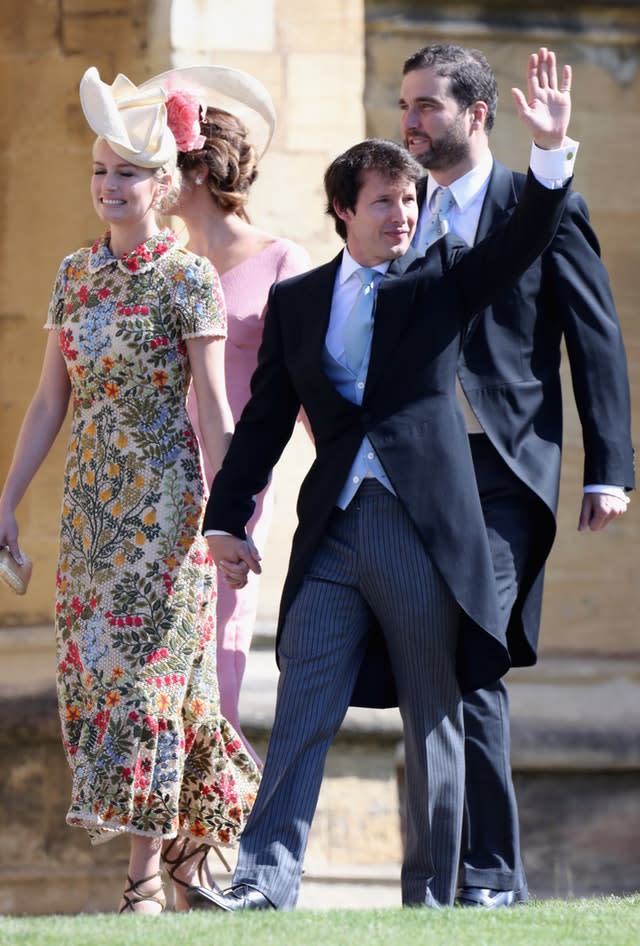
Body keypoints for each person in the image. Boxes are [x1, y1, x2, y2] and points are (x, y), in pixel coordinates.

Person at [184, 48, 577, 911]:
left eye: (410, 200)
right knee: (302, 708)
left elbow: (518, 245)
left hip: (419, 532)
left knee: (435, 717)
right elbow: (260, 421)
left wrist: (549, 158)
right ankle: (263, 877)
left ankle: (433, 895)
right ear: (342, 213)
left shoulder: (438, 283)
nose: (405, 215)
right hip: (333, 530)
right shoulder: (299, 303)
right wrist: (227, 517)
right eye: (386, 202)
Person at [0, 67, 261, 914]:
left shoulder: (188, 280)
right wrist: (5, 502)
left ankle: (142, 881)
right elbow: (48, 403)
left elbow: (217, 412)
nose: (108, 187)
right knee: (102, 684)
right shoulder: (74, 277)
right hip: (89, 515)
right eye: (99, 171)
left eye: (126, 173)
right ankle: (193, 849)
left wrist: (230, 520)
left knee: (152, 685)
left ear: (160, 184)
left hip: (168, 512)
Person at [398, 43, 634, 908]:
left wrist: (608, 467)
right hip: (414, 471)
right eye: (404, 106)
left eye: (427, 105)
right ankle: (439, 879)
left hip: (504, 470)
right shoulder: (400, 211)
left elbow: (595, 333)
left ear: (477, 115)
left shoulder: (539, 206)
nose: (410, 122)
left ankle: (490, 879)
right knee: (430, 663)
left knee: (476, 653)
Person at [139, 66, 311, 767]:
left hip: (231, 485)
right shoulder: (164, 265)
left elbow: (308, 389)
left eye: (158, 162)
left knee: (218, 649)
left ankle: (210, 843)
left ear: (195, 171)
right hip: (151, 486)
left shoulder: (278, 259)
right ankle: (166, 848)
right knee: (153, 662)